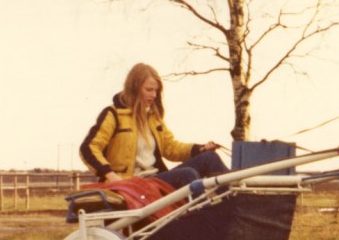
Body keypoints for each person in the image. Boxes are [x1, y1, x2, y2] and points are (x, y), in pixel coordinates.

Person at [79, 63, 228, 189]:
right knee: (187, 175)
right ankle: (204, 213)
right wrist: (111, 176)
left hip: (155, 177)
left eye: (156, 90)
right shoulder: (113, 114)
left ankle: (236, 205)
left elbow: (170, 147)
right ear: (134, 88)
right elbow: (88, 148)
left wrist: (199, 149)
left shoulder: (153, 118)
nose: (154, 95)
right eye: (149, 90)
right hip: (131, 182)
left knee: (209, 158)